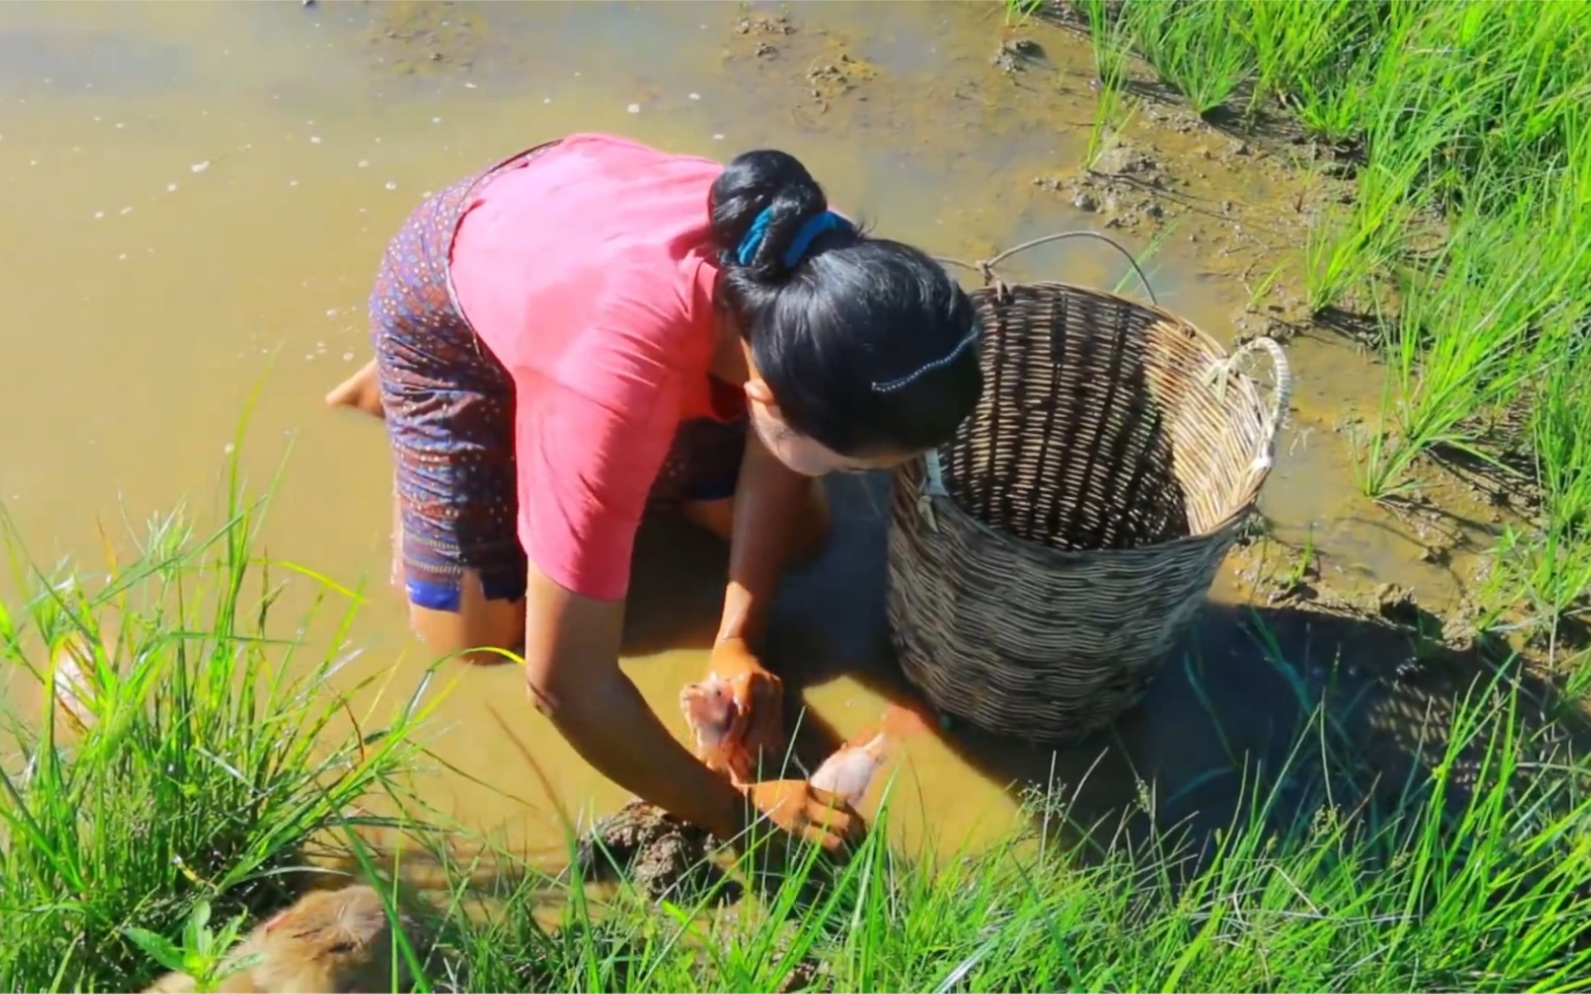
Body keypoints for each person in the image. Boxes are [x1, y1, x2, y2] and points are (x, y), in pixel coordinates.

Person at [324, 132, 982, 856]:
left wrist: (736, 638)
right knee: (477, 640)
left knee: (801, 539)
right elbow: (564, 687)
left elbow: (782, 446)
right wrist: (741, 814)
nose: (865, 478)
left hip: (595, 244)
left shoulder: (829, 277)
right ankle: (404, 388)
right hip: (450, 287)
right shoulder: (609, 389)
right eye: (856, 465)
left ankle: (544, 378)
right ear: (766, 395)